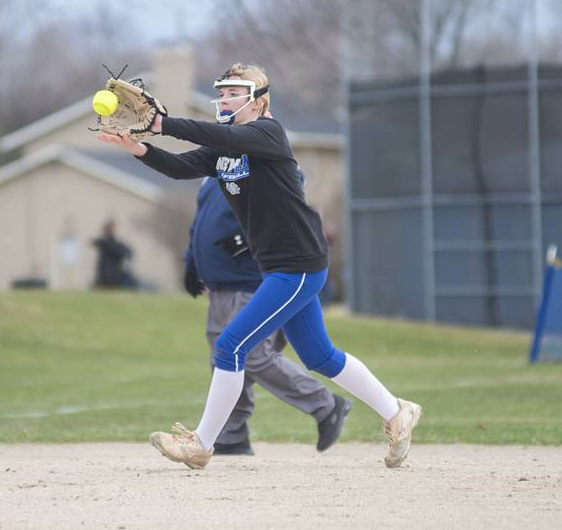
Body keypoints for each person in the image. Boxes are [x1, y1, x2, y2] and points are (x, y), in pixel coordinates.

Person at [98, 63, 422, 470]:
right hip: (281, 267)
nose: (225, 99)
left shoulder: (268, 133)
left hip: (298, 264)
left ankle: (201, 444)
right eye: (223, 92)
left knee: (231, 345)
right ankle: (397, 412)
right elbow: (182, 167)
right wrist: (138, 148)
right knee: (320, 356)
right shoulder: (228, 148)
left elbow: (221, 134)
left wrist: (163, 123)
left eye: (235, 93)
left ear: (259, 100)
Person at [184, 174, 351, 455]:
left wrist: (244, 240)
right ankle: (232, 434)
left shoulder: (260, 161)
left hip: (252, 279)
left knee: (251, 354)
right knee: (223, 361)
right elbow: (199, 223)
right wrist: (191, 262)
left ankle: (325, 404)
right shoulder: (210, 175)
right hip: (219, 283)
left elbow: (285, 206)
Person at [92, 220, 136, 289]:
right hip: (105, 275)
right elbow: (96, 242)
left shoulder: (115, 244)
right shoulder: (105, 243)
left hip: (115, 274)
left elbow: (128, 252)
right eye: (110, 229)